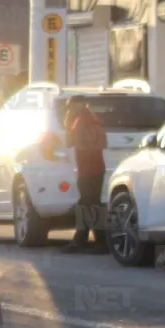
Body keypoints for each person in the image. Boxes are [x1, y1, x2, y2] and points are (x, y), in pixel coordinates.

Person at [62, 95, 108, 254]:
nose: (69, 109)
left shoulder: (82, 120)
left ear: (78, 104)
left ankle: (90, 241)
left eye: (70, 105)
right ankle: (90, 239)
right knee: (91, 202)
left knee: (87, 203)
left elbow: (73, 143)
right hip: (94, 168)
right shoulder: (91, 118)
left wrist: (68, 124)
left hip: (89, 169)